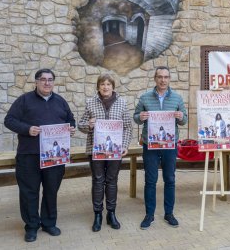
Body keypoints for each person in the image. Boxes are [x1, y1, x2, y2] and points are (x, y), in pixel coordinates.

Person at [4, 69, 76, 242]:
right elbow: (9, 120)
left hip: (54, 157)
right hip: (29, 155)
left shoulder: (60, 101)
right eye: (43, 79)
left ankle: (49, 223)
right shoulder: (24, 100)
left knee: (51, 190)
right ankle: (31, 226)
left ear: (53, 82)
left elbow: (70, 120)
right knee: (29, 192)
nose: (47, 83)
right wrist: (27, 129)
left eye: (50, 79)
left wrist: (71, 129)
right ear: (36, 81)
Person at [134, 66, 188, 230]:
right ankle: (149, 214)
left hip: (170, 146)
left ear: (169, 79)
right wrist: (140, 117)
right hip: (150, 145)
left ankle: (169, 213)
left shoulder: (177, 98)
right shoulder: (145, 98)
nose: (163, 80)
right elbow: (136, 117)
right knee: (150, 181)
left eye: (166, 77)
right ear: (155, 79)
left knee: (169, 179)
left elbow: (184, 119)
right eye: (160, 77)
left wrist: (180, 117)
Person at [78, 74, 133, 232]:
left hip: (115, 151)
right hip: (96, 151)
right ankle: (97, 214)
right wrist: (89, 124)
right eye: (102, 84)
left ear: (113, 87)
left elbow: (128, 127)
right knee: (98, 180)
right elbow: (81, 124)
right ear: (98, 87)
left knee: (112, 180)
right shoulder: (91, 102)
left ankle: (111, 213)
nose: (105, 87)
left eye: (108, 84)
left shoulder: (121, 103)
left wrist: (124, 145)